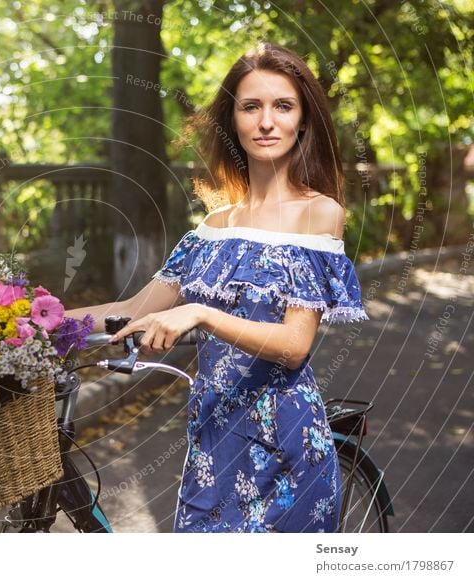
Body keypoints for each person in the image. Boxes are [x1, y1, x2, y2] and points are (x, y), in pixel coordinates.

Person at [64, 42, 368, 532]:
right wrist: (33, 321)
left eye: (283, 106)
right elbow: (134, 306)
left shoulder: (319, 212)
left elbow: (294, 347)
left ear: (303, 123)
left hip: (285, 442)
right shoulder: (213, 227)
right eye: (251, 107)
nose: (266, 121)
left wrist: (201, 313)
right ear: (233, 122)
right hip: (213, 440)